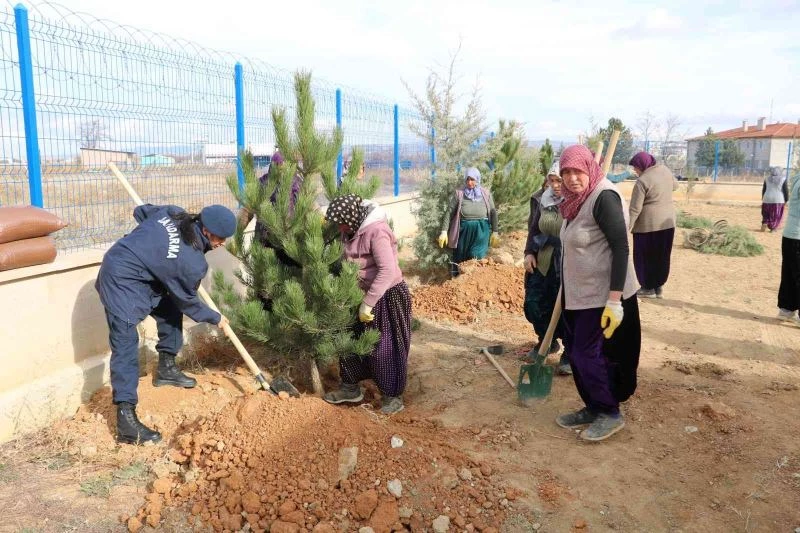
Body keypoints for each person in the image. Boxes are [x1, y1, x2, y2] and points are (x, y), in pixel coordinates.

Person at [95, 204, 236, 445]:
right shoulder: (191, 262)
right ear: (206, 230)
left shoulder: (173, 212)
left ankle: (166, 369)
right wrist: (216, 317)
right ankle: (126, 420)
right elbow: (189, 303)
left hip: (146, 279)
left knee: (170, 310)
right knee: (126, 344)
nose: (222, 243)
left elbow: (140, 211)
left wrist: (154, 245)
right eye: (220, 238)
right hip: (120, 281)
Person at [555, 145, 641, 442]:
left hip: (601, 295)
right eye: (565, 172)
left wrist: (615, 300)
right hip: (578, 293)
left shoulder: (603, 197)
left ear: (589, 169)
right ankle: (592, 406)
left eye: (577, 171)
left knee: (586, 353)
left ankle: (609, 412)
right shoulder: (573, 200)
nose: (572, 178)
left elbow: (621, 247)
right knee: (577, 355)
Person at [323, 194, 412, 415]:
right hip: (359, 294)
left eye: (343, 222)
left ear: (353, 216)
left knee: (384, 348)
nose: (340, 227)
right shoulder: (349, 229)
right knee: (350, 341)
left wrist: (368, 303)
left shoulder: (377, 231)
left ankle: (392, 396)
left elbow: (387, 270)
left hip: (386, 295)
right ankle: (350, 388)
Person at [523, 161, 570, 375]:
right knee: (534, 303)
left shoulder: (577, 201)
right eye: (552, 180)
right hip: (543, 261)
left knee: (569, 310)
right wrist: (528, 253)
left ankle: (570, 353)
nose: (556, 184)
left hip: (568, 263)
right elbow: (533, 229)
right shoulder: (542, 199)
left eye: (560, 180)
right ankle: (546, 340)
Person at [627, 151, 677, 299]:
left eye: (636, 167)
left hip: (647, 226)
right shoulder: (665, 170)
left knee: (644, 257)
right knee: (661, 256)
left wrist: (627, 226)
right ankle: (658, 287)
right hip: (667, 223)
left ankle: (647, 288)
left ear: (642, 165)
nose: (635, 171)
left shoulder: (643, 181)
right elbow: (676, 186)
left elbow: (635, 208)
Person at [438, 167, 499, 276]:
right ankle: (457, 280)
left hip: (481, 230)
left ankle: (476, 280)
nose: (470, 182)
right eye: (467, 179)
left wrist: (495, 231)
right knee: (460, 256)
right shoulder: (459, 194)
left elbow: (493, 212)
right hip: (463, 231)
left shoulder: (486, 193)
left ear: (477, 179)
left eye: (472, 179)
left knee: (477, 255)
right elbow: (449, 212)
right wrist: (444, 231)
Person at [777, 173, 800, 322]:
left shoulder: (797, 177)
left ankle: (787, 309)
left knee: (790, 273)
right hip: (798, 235)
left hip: (790, 235)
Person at [761, 166, 788, 232]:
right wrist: (786, 199)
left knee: (766, 212)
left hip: (767, 198)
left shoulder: (767, 179)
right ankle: (773, 227)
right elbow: (785, 191)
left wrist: (763, 198)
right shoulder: (783, 179)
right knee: (776, 214)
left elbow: (764, 189)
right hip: (778, 199)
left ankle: (765, 222)